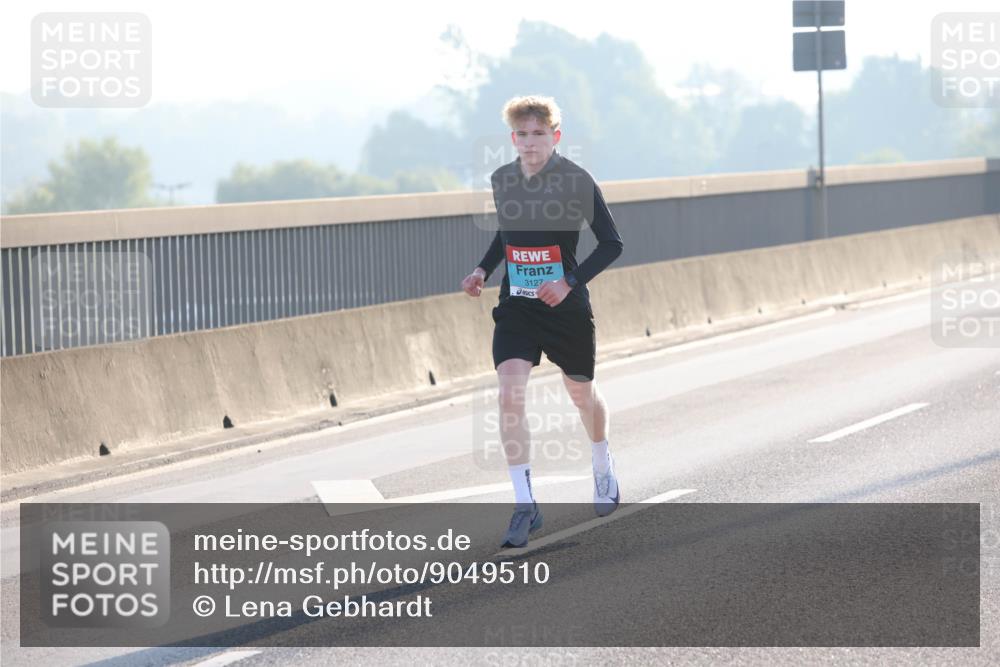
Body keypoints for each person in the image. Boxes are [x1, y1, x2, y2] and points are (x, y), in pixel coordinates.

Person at [460, 95, 625, 548]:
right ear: (512, 138)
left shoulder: (575, 180)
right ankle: (524, 504)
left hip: (564, 308)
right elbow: (507, 233)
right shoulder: (503, 180)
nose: (530, 143)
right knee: (509, 395)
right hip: (517, 306)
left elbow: (612, 243)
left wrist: (569, 282)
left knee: (581, 394)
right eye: (522, 135)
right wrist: (482, 270)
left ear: (555, 136)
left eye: (539, 134)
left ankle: (601, 462)